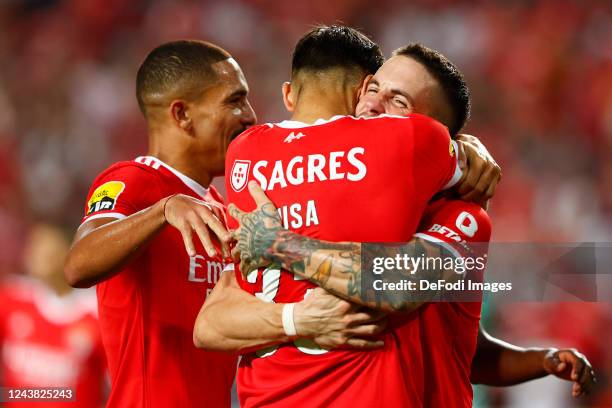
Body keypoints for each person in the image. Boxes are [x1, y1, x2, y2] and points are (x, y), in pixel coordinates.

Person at [198, 32, 595, 406]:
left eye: (398, 102)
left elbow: (434, 320)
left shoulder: (462, 218)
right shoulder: (309, 194)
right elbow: (211, 323)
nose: (372, 104)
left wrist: (281, 245)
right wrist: (296, 320)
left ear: (431, 136)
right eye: (372, 89)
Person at [64, 39, 393, 407]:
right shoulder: (135, 181)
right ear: (182, 114)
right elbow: (77, 265)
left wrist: (302, 319)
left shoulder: (223, 207)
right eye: (234, 101)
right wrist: (163, 210)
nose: (251, 115)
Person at [0, 223, 107, 407]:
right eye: (35, 247)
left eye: (48, 248)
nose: (38, 255)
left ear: (70, 252)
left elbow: (116, 383)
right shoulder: (11, 299)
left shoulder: (97, 315)